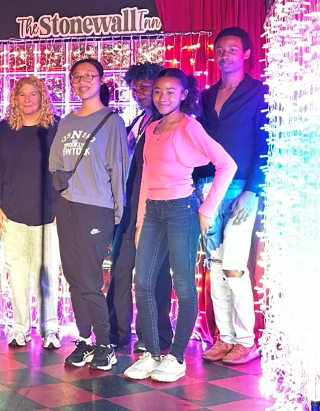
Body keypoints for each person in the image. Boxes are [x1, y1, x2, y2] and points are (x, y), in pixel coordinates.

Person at [124, 68, 236, 383]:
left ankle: (176, 357)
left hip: (180, 210)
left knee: (184, 286)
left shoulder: (190, 127)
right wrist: (139, 221)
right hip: (154, 212)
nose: (163, 97)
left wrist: (207, 208)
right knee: (143, 283)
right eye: (158, 91)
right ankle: (152, 354)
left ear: (184, 94)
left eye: (171, 91)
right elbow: (146, 175)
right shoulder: (152, 128)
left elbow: (227, 165)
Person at [48, 58, 128, 371]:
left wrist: (117, 214)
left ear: (101, 79)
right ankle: (84, 340)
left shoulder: (112, 121)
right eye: (77, 77)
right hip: (67, 206)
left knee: (90, 280)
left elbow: (118, 169)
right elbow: (55, 163)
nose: (83, 82)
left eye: (89, 76)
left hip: (97, 208)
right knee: (73, 279)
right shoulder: (66, 121)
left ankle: (106, 345)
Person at [195, 27, 267, 365]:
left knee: (236, 266)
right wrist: (196, 186)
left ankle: (246, 340)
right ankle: (223, 338)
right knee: (216, 264)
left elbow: (265, 143)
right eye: (220, 50)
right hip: (210, 186)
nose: (225, 55)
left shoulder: (259, 92)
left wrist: (254, 189)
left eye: (232, 50)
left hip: (241, 187)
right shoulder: (207, 96)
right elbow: (200, 144)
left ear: (246, 54)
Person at [107, 62, 174, 352]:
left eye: (145, 87)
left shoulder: (170, 124)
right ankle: (115, 333)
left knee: (155, 273)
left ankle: (155, 337)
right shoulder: (138, 121)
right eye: (134, 88)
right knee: (121, 269)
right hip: (128, 205)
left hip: (156, 207)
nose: (138, 93)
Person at [0, 76, 61, 349]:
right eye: (22, 94)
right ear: (15, 98)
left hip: (47, 213)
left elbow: (61, 171)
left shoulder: (54, 128)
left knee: (46, 274)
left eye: (34, 94)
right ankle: (20, 328)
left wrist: (60, 206)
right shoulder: (6, 129)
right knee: (17, 273)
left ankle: (50, 329)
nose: (28, 99)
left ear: (42, 97)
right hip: (12, 211)